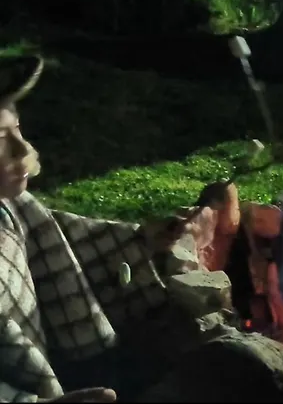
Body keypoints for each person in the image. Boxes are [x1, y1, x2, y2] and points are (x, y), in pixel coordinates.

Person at [0, 55, 231, 403]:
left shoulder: (13, 205)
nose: (22, 150)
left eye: (17, 130)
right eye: (1, 139)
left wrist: (143, 240)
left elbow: (57, 238)